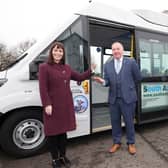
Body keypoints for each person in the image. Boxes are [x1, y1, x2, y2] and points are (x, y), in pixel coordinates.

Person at [39, 41, 95, 168]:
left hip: (66, 105)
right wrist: (47, 104)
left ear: (63, 53)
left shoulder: (67, 68)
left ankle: (63, 156)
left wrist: (90, 70)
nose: (58, 53)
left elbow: (80, 77)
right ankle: (54, 159)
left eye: (60, 51)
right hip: (52, 106)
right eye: (55, 50)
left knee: (63, 133)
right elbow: (43, 88)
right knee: (53, 134)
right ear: (51, 52)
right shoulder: (44, 67)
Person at [93, 42, 141, 155]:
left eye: (118, 49)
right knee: (115, 122)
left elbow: (138, 78)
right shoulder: (107, 65)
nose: (116, 51)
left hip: (128, 99)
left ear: (122, 50)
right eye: (113, 49)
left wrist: (128, 87)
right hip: (113, 99)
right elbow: (107, 81)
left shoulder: (131, 62)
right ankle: (117, 142)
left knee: (129, 122)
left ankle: (131, 143)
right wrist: (103, 82)